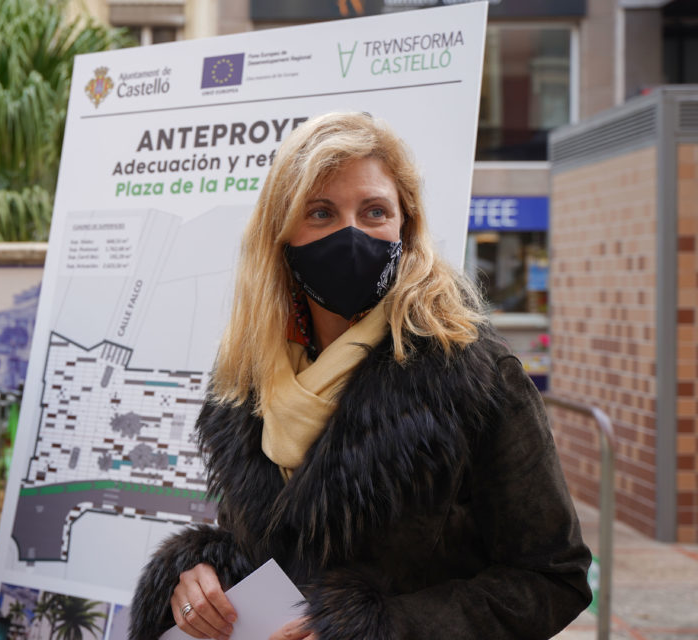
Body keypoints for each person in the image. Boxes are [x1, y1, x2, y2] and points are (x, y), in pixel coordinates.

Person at [128, 113, 591, 640]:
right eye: (321, 213)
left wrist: (376, 630)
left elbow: (554, 579)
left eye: (374, 211)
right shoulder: (246, 377)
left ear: (405, 226)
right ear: (281, 234)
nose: (350, 234)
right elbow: (270, 546)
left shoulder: (474, 373)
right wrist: (199, 577)